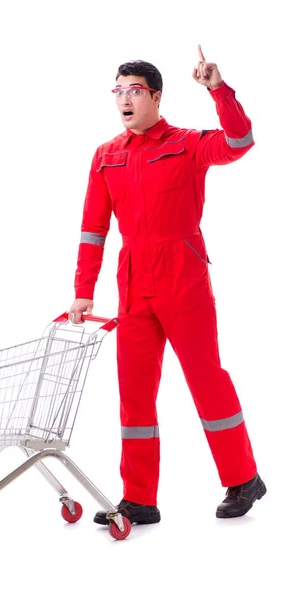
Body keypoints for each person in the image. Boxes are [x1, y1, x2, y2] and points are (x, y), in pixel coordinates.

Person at [69, 46, 266, 526]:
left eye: (134, 90)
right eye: (118, 91)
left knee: (206, 378)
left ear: (156, 96)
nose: (124, 99)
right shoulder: (106, 156)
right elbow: (93, 228)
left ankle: (244, 479)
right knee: (134, 391)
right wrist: (83, 288)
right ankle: (139, 498)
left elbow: (240, 141)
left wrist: (218, 89)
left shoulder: (187, 144)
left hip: (184, 277)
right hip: (134, 283)